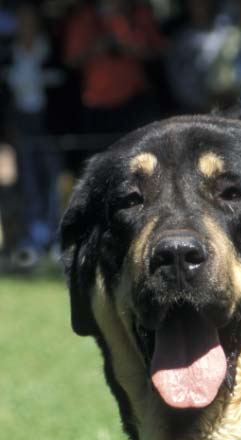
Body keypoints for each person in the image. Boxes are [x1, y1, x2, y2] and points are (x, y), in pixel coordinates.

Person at [5, 2, 63, 269]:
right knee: (27, 182)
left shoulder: (52, 50)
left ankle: (54, 239)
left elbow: (64, 91)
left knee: (53, 182)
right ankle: (32, 240)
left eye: (29, 20)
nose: (24, 25)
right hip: (20, 126)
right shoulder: (8, 54)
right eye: (21, 20)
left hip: (51, 126)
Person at [63, 0, 166, 138]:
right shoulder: (84, 18)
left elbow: (161, 48)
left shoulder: (137, 13)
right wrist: (94, 50)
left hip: (135, 99)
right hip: (98, 104)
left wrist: (133, 48)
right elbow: (70, 60)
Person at [165, 0, 241, 114]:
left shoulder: (228, 29)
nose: (201, 6)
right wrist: (204, 102)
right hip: (203, 110)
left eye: (204, 2)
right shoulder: (181, 42)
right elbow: (180, 82)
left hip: (238, 102)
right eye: (195, 3)